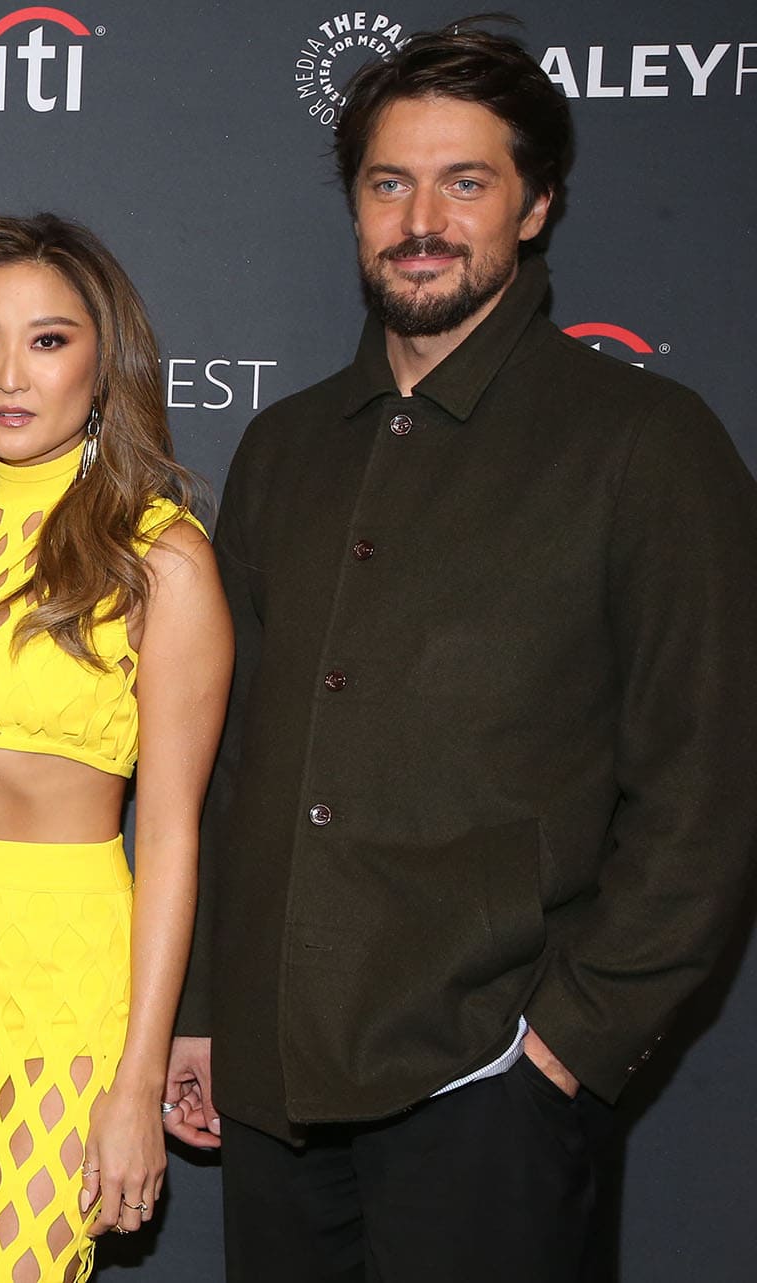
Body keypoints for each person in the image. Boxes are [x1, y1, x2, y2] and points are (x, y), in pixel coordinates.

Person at [165, 19, 757, 1283]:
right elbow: (223, 763)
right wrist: (205, 1009)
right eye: (388, 183)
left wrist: (569, 1042)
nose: (418, 217)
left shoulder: (642, 442)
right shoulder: (283, 449)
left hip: (488, 1081)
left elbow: (707, 781)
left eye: (463, 181)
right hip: (274, 1085)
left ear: (535, 206)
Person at [0, 213, 231, 1283]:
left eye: (48, 339)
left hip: (62, 973)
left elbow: (167, 835)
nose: (8, 373)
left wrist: (134, 1079)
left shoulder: (161, 560)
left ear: (103, 364)